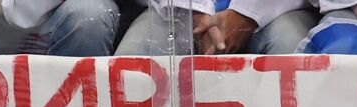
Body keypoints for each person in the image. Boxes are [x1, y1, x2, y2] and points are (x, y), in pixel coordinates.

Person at [116, 0, 316, 56]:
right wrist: (196, 10)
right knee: (132, 65)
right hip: (178, 8)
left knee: (290, 48)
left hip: (276, 9)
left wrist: (246, 14)